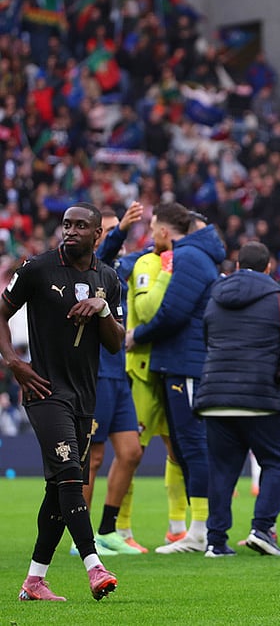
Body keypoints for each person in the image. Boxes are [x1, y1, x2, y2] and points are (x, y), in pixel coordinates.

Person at [5, 202, 122, 601]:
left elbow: (115, 342)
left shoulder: (108, 277)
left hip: (84, 396)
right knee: (71, 473)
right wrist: (14, 363)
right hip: (45, 390)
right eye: (66, 224)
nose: (70, 231)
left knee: (59, 489)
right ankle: (95, 566)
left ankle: (34, 581)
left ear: (97, 234)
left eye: (80, 226)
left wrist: (103, 307)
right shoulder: (37, 268)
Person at [195, 241, 280, 558]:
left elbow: (207, 339)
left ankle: (215, 541)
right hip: (261, 396)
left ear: (236, 263)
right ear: (269, 267)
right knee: (278, 461)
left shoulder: (215, 296)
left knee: (221, 470)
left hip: (216, 395)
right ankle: (261, 528)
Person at [127, 202, 226, 554]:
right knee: (186, 446)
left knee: (194, 446)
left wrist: (137, 336)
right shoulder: (194, 255)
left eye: (153, 228)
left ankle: (201, 531)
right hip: (180, 362)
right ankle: (199, 529)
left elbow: (173, 312)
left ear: (165, 230)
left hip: (188, 364)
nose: (151, 235)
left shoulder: (189, 258)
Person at [81, 203, 147, 556]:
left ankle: (107, 530)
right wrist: (120, 227)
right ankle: (84, 538)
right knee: (93, 457)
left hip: (118, 374)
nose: (107, 235)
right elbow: (105, 253)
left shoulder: (118, 271)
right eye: (103, 230)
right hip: (98, 374)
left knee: (132, 452)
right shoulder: (91, 268)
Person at [126, 214, 188, 546]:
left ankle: (177, 528)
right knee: (132, 451)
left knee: (177, 450)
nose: (151, 236)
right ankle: (120, 530)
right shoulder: (147, 265)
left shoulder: (184, 263)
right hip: (143, 371)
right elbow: (148, 312)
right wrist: (166, 271)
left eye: (153, 230)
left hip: (172, 369)